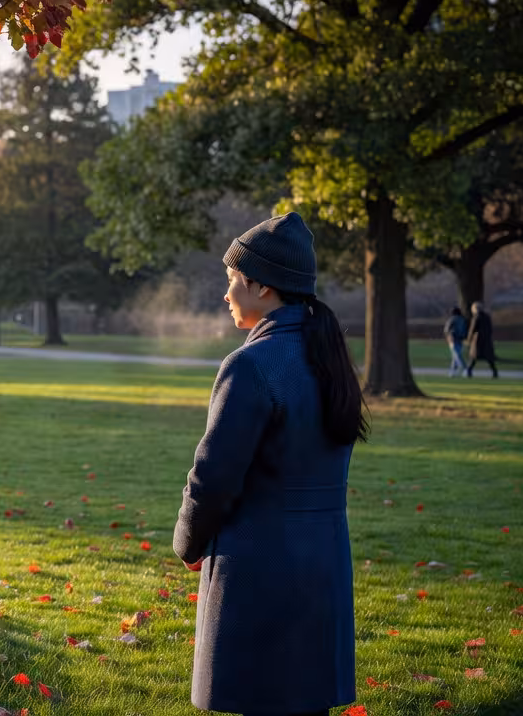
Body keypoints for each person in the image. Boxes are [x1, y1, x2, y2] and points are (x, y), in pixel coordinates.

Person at [173, 212, 364, 716]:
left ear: (261, 286)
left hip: (260, 569)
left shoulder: (251, 365)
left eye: (233, 281)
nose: (227, 293)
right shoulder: (329, 358)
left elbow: (211, 479)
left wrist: (188, 543)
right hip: (321, 566)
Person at [464, 301, 498, 378]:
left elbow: (472, 329)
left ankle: (469, 372)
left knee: (473, 357)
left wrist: (468, 339)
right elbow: (490, 329)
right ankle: (494, 372)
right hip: (486, 339)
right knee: (489, 358)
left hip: (477, 339)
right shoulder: (487, 317)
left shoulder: (476, 317)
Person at [442, 307, 468, 377]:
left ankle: (465, 369)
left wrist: (448, 336)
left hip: (453, 339)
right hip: (461, 339)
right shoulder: (463, 320)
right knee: (455, 355)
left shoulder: (452, 319)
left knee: (457, 355)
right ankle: (452, 372)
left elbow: (446, 329)